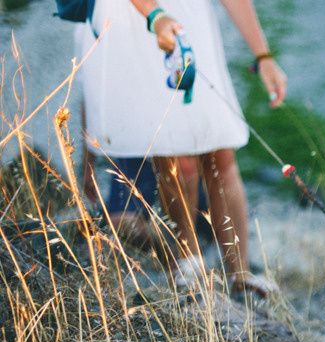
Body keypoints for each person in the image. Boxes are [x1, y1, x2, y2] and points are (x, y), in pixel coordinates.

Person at [76, 0, 287, 298]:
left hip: (191, 21)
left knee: (221, 149)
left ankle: (241, 275)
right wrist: (156, 16)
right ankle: (188, 263)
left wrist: (263, 55)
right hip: (139, 23)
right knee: (175, 152)